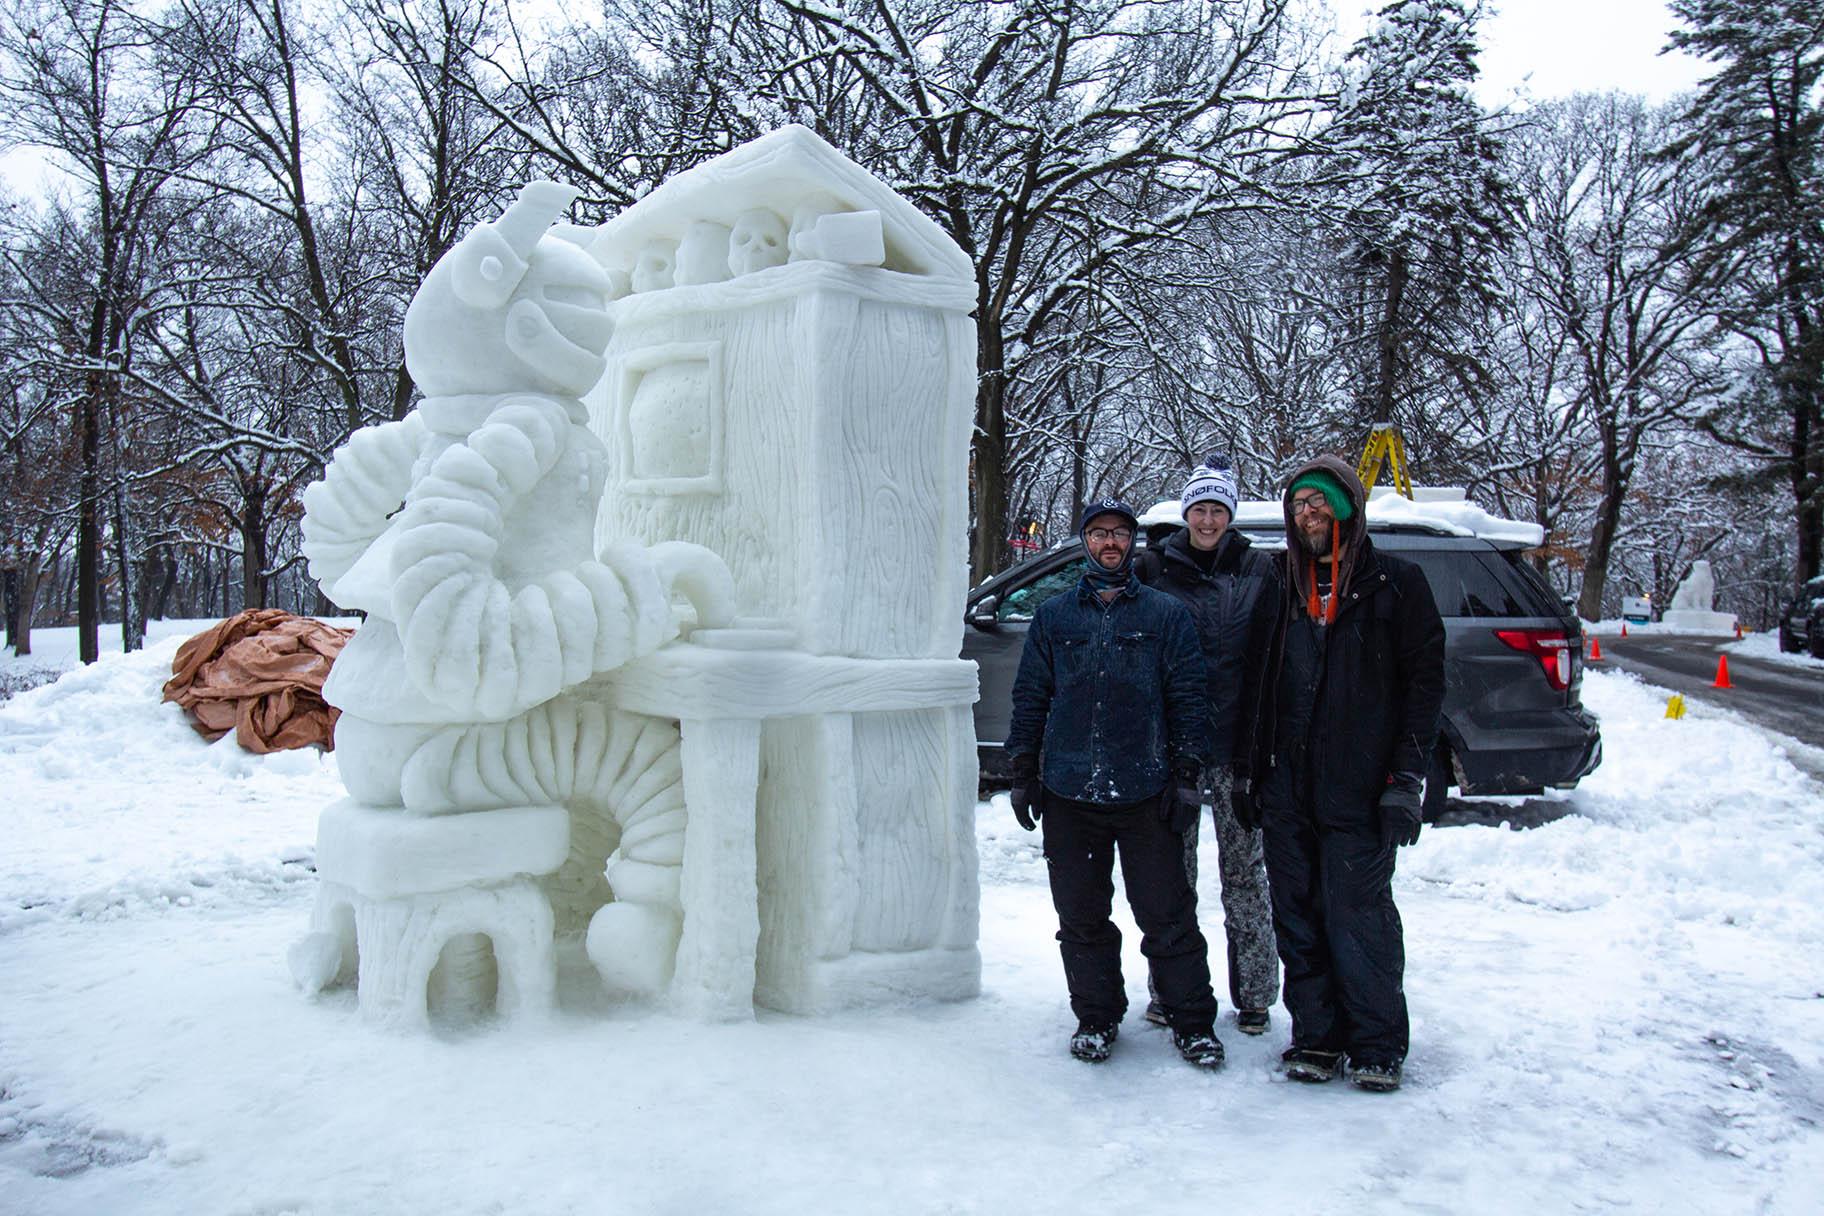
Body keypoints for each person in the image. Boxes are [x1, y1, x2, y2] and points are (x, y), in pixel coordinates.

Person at [1244, 456, 1444, 1092]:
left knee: (1357, 914)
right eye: (1300, 503)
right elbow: (1254, 685)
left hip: (1360, 787)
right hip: (1285, 785)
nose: (1310, 512)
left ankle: (1377, 1041)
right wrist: (1252, 773)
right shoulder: (1277, 583)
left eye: (1321, 500)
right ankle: (1317, 1036)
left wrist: (1405, 783)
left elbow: (1424, 689)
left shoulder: (1397, 584)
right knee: (1297, 916)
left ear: (1349, 507)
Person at [1004, 498, 1223, 1068]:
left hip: (1146, 789)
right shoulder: (1054, 617)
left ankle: (1193, 1020)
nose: (1109, 543)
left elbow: (1189, 699)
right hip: (1070, 791)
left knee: (1168, 917)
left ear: (1132, 544)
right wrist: (1023, 770)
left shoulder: (1164, 615)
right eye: (1099, 534)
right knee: (1081, 919)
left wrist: (1185, 775)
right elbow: (1031, 696)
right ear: (1085, 542)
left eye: (1119, 535)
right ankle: (1096, 1017)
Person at [1134, 458, 1281, 1037]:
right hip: (1174, 754)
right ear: (1186, 512)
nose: (1209, 518)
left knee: (1245, 875)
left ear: (1230, 515)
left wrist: (1261, 747)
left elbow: (1270, 661)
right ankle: (1170, 990)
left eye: (1219, 509)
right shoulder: (1156, 569)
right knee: (1174, 877)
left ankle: (1256, 995)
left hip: (1237, 751)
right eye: (1200, 508)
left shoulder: (1257, 570)